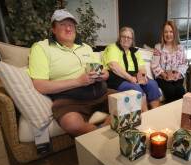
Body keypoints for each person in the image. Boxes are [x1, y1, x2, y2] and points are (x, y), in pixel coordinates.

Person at [28, 9, 110, 137]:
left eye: (71, 25)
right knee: (72, 124)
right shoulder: (41, 48)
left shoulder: (86, 47)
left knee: (130, 102)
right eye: (62, 24)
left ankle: (105, 131)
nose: (68, 28)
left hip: (101, 94)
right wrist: (78, 82)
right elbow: (40, 85)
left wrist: (104, 75)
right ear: (53, 29)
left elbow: (103, 70)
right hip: (70, 101)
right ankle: (103, 138)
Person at [103, 27, 161, 111]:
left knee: (152, 84)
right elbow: (113, 66)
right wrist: (130, 78)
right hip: (117, 78)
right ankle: (145, 114)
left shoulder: (135, 51)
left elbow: (142, 67)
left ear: (132, 40)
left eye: (129, 37)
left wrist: (142, 75)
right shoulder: (113, 47)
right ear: (120, 38)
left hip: (134, 77)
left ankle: (155, 111)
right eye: (123, 36)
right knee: (136, 89)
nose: (126, 39)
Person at [151, 21, 188, 103]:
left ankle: (179, 112)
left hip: (177, 77)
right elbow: (155, 65)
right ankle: (170, 112)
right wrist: (164, 75)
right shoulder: (158, 47)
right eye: (166, 32)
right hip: (162, 78)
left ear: (175, 33)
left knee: (180, 90)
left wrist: (178, 74)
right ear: (163, 34)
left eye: (171, 31)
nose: (168, 34)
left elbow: (183, 64)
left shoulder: (180, 48)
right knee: (170, 90)